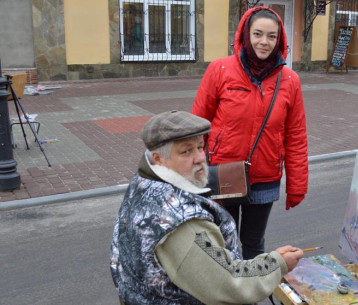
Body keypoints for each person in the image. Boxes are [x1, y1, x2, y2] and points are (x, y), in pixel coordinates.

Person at [110, 110, 303, 305]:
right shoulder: (182, 223)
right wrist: (277, 263)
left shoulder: (144, 180)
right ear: (159, 158)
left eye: (200, 147)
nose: (199, 158)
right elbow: (230, 285)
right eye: (186, 151)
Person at [191, 7, 308, 260]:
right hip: (224, 173)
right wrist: (193, 173)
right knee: (224, 242)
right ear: (245, 34)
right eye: (257, 34)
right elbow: (197, 126)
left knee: (254, 244)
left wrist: (297, 185)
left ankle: (251, 293)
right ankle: (225, 295)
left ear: (280, 40)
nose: (264, 42)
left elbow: (296, 136)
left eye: (271, 36)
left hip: (265, 177)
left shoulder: (290, 80)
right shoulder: (220, 70)